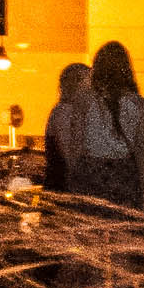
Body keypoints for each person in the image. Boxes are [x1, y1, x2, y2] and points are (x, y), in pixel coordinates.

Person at [64, 40, 144, 218]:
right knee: (120, 227)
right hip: (124, 175)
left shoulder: (84, 100)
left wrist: (72, 183)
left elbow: (76, 147)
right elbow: (141, 154)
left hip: (92, 173)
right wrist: (143, 199)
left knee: (92, 227)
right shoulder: (137, 104)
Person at [40, 60, 94, 199]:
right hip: (64, 191)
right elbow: (70, 156)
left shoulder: (67, 111)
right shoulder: (64, 111)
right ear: (77, 84)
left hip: (64, 189)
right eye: (89, 80)